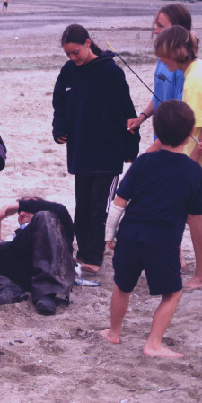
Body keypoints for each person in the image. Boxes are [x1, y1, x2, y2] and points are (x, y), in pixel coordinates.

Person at [102, 100, 202, 357]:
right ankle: (153, 344)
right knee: (172, 294)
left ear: (157, 130)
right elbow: (194, 213)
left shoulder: (144, 161)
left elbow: (118, 204)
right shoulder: (193, 171)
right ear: (192, 131)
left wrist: (109, 235)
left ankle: (113, 334)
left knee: (122, 286)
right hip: (163, 241)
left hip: (130, 235)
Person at [52, 23, 139, 274]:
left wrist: (130, 150)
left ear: (88, 43)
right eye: (68, 54)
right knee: (83, 205)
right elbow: (60, 103)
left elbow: (127, 110)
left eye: (75, 52)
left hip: (108, 151)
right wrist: (60, 129)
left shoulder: (110, 71)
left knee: (100, 207)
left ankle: (93, 257)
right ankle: (83, 253)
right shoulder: (69, 71)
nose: (72, 58)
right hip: (80, 151)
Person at [154, 25, 202, 291]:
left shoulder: (194, 80)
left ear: (178, 52)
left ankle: (200, 274)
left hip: (195, 163)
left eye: (163, 54)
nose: (160, 60)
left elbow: (195, 130)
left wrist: (188, 167)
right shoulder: (193, 72)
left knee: (196, 218)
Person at [127, 4, 192, 153]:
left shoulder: (182, 68)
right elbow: (158, 94)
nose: (156, 31)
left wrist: (154, 150)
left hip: (174, 145)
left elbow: (180, 116)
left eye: (160, 26)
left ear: (177, 29)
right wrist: (141, 117)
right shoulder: (164, 60)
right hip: (160, 138)